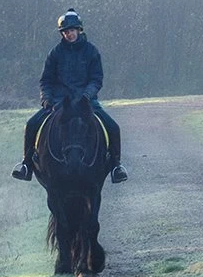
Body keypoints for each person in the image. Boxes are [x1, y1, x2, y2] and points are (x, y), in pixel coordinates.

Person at [12, 9, 128, 184]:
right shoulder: (55, 53)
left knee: (113, 127)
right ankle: (26, 164)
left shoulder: (91, 51)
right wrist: (46, 98)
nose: (69, 34)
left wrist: (87, 95)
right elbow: (46, 80)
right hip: (59, 103)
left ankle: (116, 166)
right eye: (66, 31)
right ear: (62, 33)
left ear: (79, 30)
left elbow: (96, 79)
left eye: (72, 30)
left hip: (86, 102)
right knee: (31, 124)